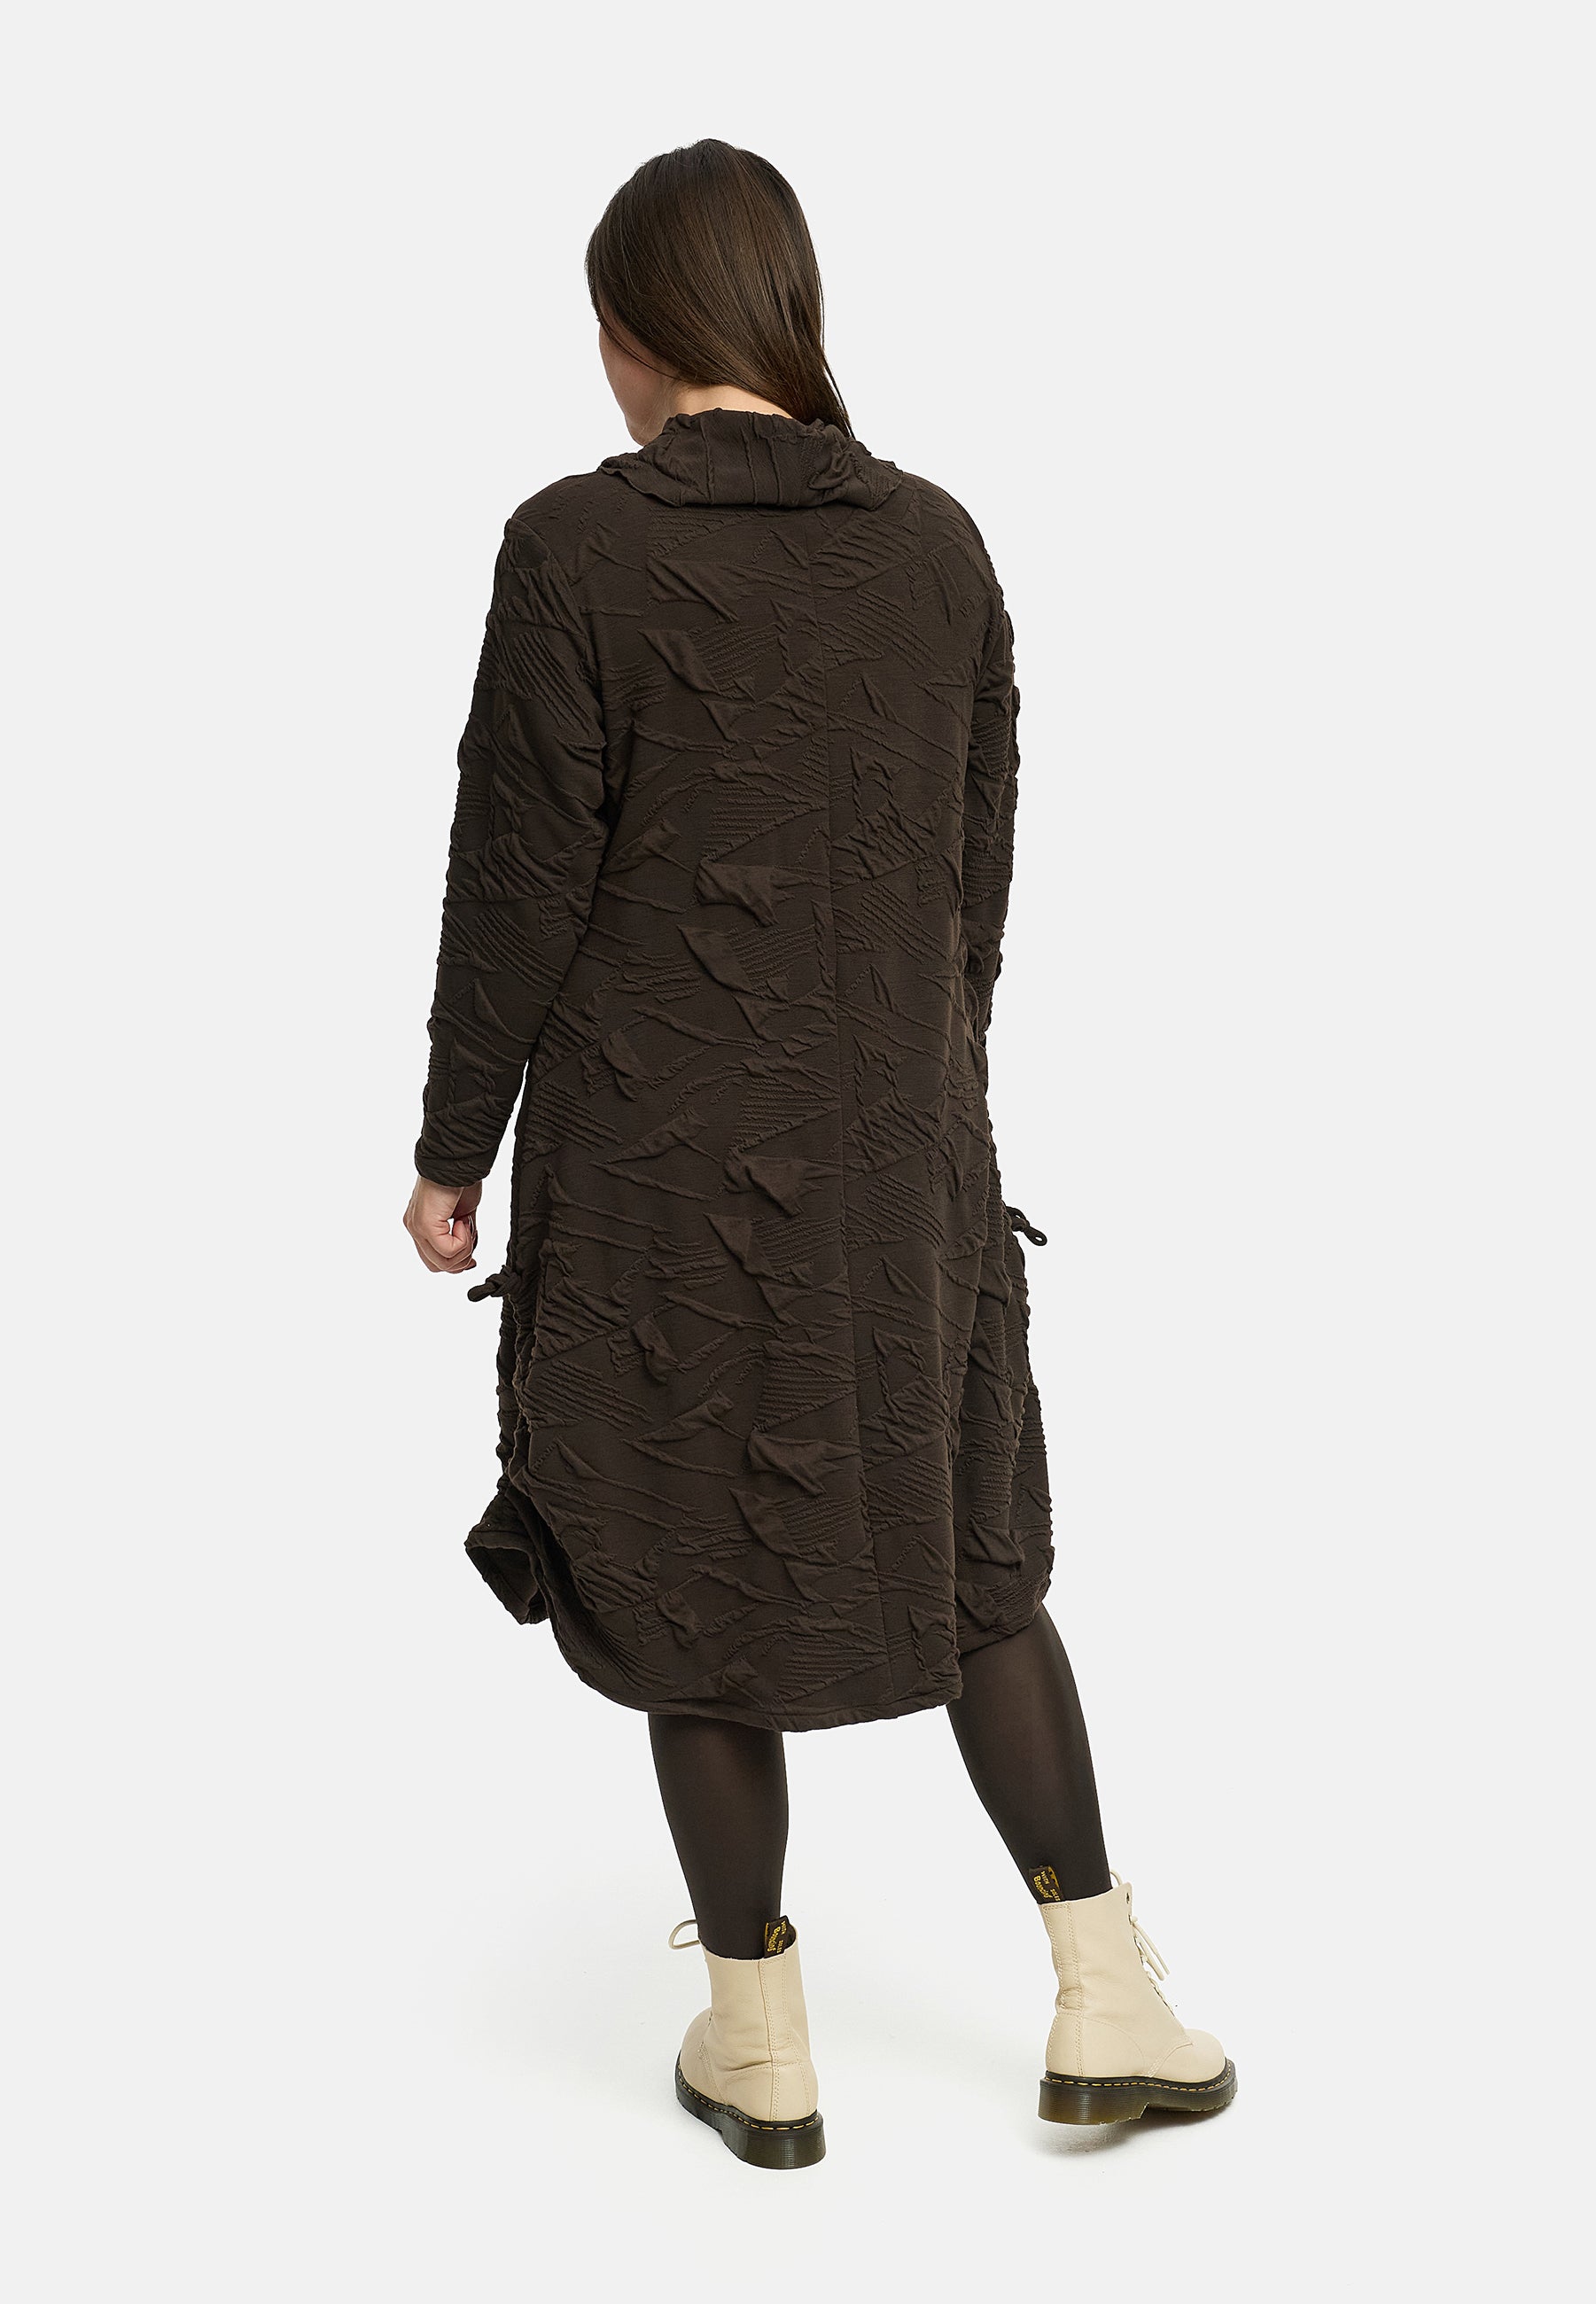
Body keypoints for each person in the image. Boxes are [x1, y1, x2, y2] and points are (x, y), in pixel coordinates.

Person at [403, 139, 1234, 2168]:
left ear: (632, 332)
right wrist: (921, 1094)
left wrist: (452, 1147)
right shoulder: (937, 547)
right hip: (894, 1157)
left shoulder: (573, 551)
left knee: (681, 1562)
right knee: (969, 1558)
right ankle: (1105, 1995)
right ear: (788, 314)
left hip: (655, 1169)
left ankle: (757, 2044)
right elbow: (973, 876)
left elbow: (515, 882)